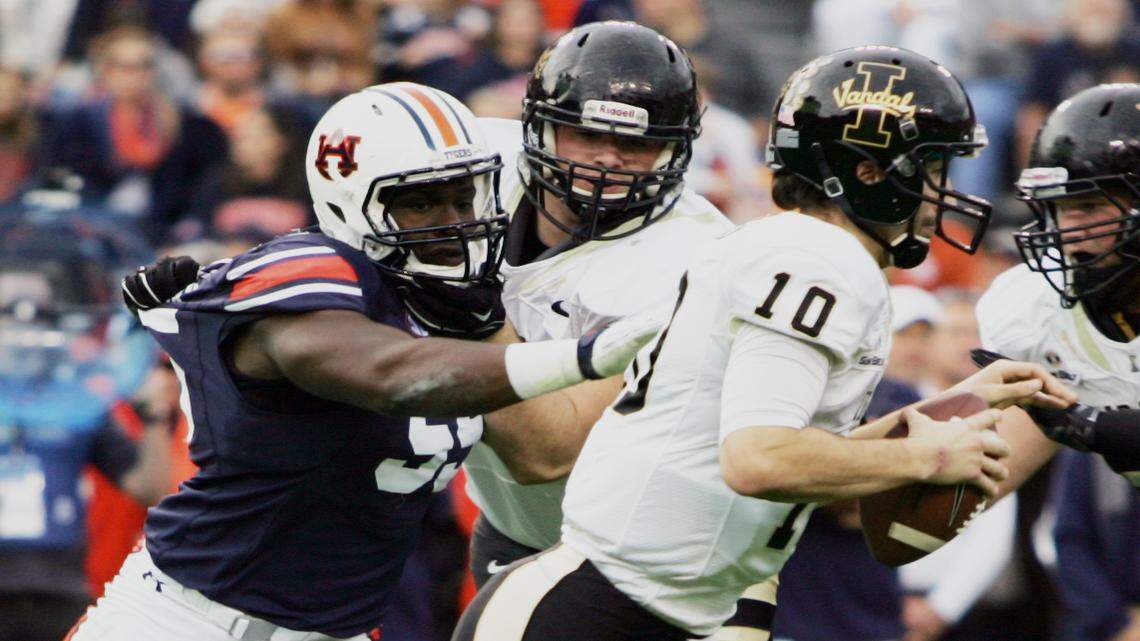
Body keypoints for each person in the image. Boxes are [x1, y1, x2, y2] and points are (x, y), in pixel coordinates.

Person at [450, 45, 1075, 641]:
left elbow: (795, 452)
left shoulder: (804, 251)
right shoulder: (818, 260)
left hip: (649, 604)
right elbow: (759, 460)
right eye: (932, 168)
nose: (941, 191)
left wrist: (949, 407)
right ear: (869, 172)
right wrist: (926, 458)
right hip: (596, 609)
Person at [68, 82, 658, 641]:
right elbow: (395, 377)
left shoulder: (449, 300)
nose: (453, 222)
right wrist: (586, 355)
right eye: (421, 202)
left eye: (464, 194)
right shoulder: (313, 275)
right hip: (186, 622)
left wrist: (635, 348)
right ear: (351, 206)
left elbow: (544, 449)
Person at [0, 206, 174, 641]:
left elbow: (150, 488)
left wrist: (152, 417)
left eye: (38, 313)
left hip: (59, 586)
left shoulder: (76, 398)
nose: (23, 328)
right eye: (8, 312)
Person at [976, 82, 1140, 489]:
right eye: (1058, 210)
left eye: (1088, 206)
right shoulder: (1031, 309)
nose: (1069, 230)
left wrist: (1095, 427)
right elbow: (991, 471)